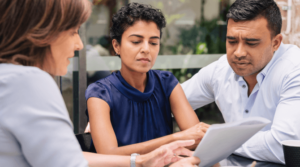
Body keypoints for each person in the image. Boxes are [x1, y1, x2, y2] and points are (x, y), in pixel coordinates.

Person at [0, 0, 201, 166]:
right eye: (72, 31)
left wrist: (141, 161)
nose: (79, 44)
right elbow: (77, 159)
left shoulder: (165, 81)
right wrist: (173, 140)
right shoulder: (30, 83)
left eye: (154, 42)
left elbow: (66, 156)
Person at [182, 0, 300, 164]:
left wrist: (218, 140)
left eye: (251, 43)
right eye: (232, 41)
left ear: (276, 43)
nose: (238, 53)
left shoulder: (294, 71)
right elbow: (171, 102)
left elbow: (284, 147)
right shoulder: (221, 70)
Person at [85, 2, 209, 156]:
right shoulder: (100, 93)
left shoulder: (167, 83)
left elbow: (197, 138)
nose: (146, 49)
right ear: (116, 46)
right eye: (136, 41)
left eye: (153, 42)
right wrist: (176, 138)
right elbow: (109, 154)